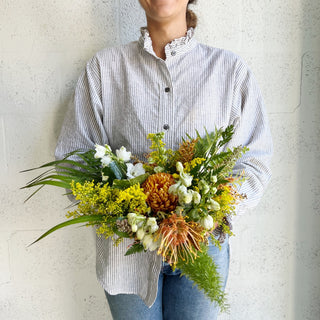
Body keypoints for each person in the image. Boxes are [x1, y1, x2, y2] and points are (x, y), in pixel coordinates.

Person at [55, 0, 273, 319]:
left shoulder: (229, 71)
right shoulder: (105, 68)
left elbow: (255, 161)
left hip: (201, 250)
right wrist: (124, 206)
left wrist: (207, 206)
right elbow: (74, 160)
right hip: (126, 253)